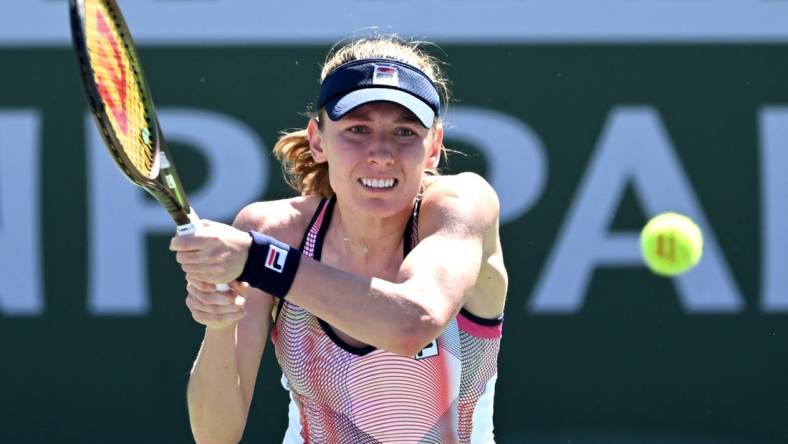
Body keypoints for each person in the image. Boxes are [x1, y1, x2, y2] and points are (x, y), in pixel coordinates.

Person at [169, 35, 508, 444]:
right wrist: (220, 325)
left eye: (404, 131)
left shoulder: (463, 205)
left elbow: (413, 323)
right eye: (357, 129)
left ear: (434, 146)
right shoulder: (274, 231)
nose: (381, 152)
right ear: (317, 139)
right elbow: (215, 436)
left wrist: (259, 261)